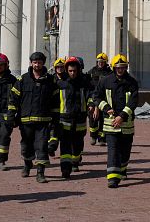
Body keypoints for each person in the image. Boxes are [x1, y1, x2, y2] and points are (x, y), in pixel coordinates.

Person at [9, 51, 59, 183]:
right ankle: (27, 164)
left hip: (44, 121)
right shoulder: (22, 80)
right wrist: (11, 116)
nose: (37, 64)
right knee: (26, 146)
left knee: (42, 145)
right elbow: (13, 99)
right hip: (26, 121)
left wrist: (55, 118)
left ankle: (40, 172)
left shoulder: (50, 81)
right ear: (31, 63)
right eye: (35, 62)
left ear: (43, 63)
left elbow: (55, 101)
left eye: (40, 62)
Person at [91, 54, 138, 188]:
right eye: (118, 67)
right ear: (113, 67)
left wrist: (122, 116)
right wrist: (105, 107)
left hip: (127, 124)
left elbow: (134, 101)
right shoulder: (105, 81)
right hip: (110, 125)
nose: (120, 70)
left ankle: (122, 168)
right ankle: (112, 177)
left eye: (123, 67)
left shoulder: (132, 82)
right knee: (113, 150)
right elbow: (96, 97)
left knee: (125, 151)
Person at [56, 56, 91, 179]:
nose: (72, 73)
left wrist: (91, 104)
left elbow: (90, 95)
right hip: (64, 119)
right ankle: (65, 169)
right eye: (70, 71)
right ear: (66, 70)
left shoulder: (84, 83)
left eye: (74, 71)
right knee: (65, 145)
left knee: (77, 145)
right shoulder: (60, 84)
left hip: (80, 119)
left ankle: (76, 160)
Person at [87, 53, 112, 145]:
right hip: (93, 98)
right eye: (99, 61)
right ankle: (93, 136)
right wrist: (90, 103)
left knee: (103, 119)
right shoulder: (92, 72)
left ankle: (101, 138)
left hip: (104, 99)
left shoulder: (109, 73)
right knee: (92, 117)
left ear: (106, 62)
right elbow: (88, 87)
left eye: (103, 62)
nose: (101, 63)